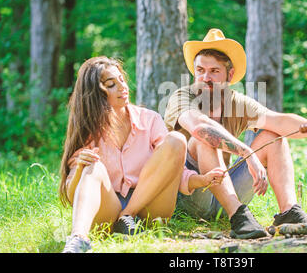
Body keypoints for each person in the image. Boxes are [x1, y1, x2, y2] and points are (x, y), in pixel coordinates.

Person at [164, 29, 307, 239]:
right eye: (200, 70)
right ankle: (238, 216)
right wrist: (247, 152)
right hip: (188, 193)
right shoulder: (182, 96)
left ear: (229, 75)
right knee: (205, 139)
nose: (205, 77)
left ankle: (289, 212)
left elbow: (277, 120)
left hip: (222, 193)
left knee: (273, 136)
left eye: (214, 71)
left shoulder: (235, 102)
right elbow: (200, 128)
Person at [58, 56, 224, 253]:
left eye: (122, 79)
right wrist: (79, 170)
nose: (123, 87)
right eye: (112, 84)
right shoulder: (87, 131)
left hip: (149, 209)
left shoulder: (150, 119)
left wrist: (201, 180)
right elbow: (73, 191)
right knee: (93, 166)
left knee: (177, 139)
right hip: (108, 211)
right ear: (96, 94)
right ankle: (78, 240)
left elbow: (173, 168)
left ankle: (127, 215)